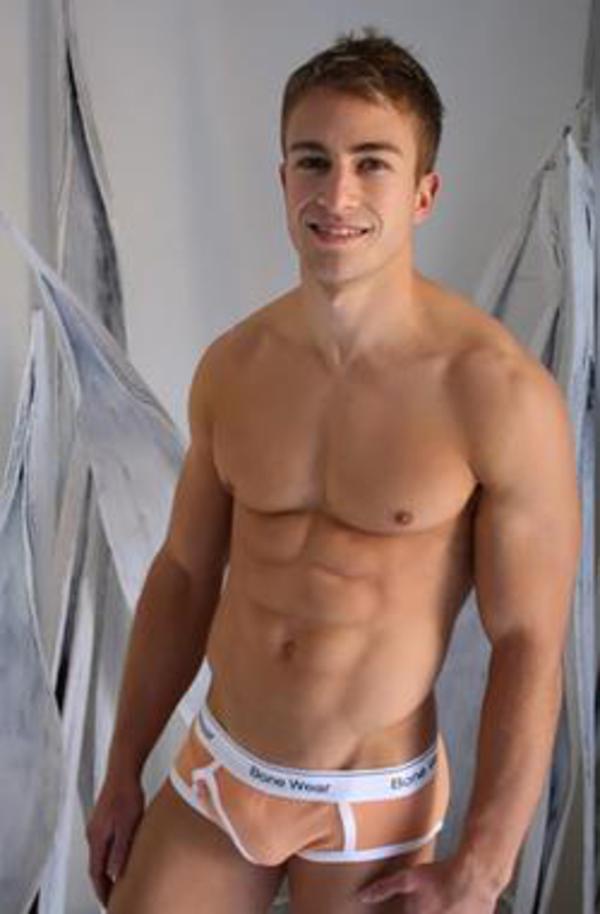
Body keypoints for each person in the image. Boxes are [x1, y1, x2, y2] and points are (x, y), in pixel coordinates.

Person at [86, 28, 582, 914]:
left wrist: (485, 864)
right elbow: (185, 573)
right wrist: (123, 766)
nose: (337, 193)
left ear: (424, 193)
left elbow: (529, 639)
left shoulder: (497, 393)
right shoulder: (235, 366)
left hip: (373, 806)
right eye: (312, 161)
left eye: (372, 163)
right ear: (283, 179)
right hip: (220, 772)